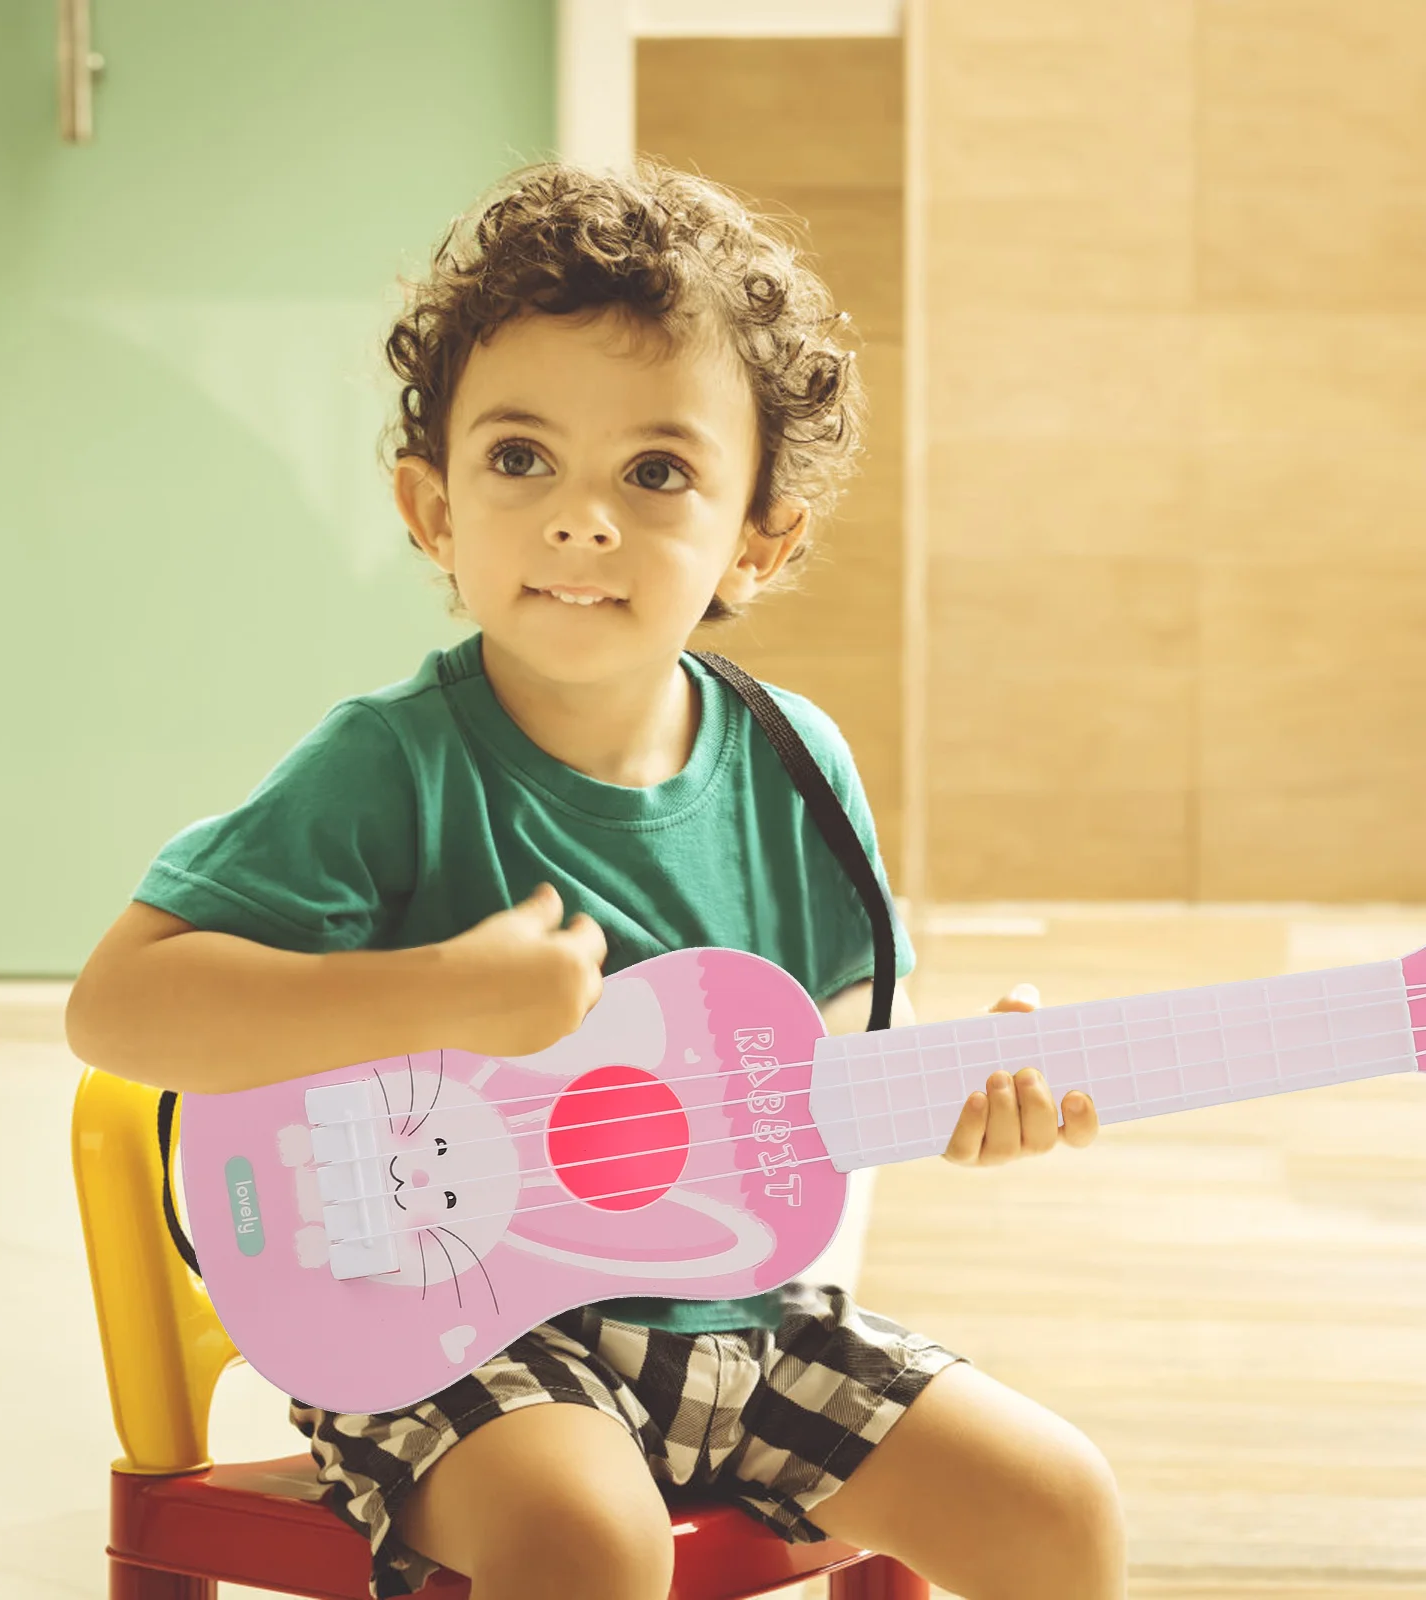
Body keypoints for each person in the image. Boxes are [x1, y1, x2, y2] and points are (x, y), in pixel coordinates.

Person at [66, 159, 1125, 1600]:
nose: (582, 518)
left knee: (1058, 1505)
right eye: (519, 459)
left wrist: (958, 1087)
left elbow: (835, 1042)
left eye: (657, 471)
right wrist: (436, 997)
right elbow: (121, 1013)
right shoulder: (389, 768)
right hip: (447, 1335)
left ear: (763, 534)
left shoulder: (793, 762)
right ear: (429, 507)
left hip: (750, 1323)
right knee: (588, 1537)